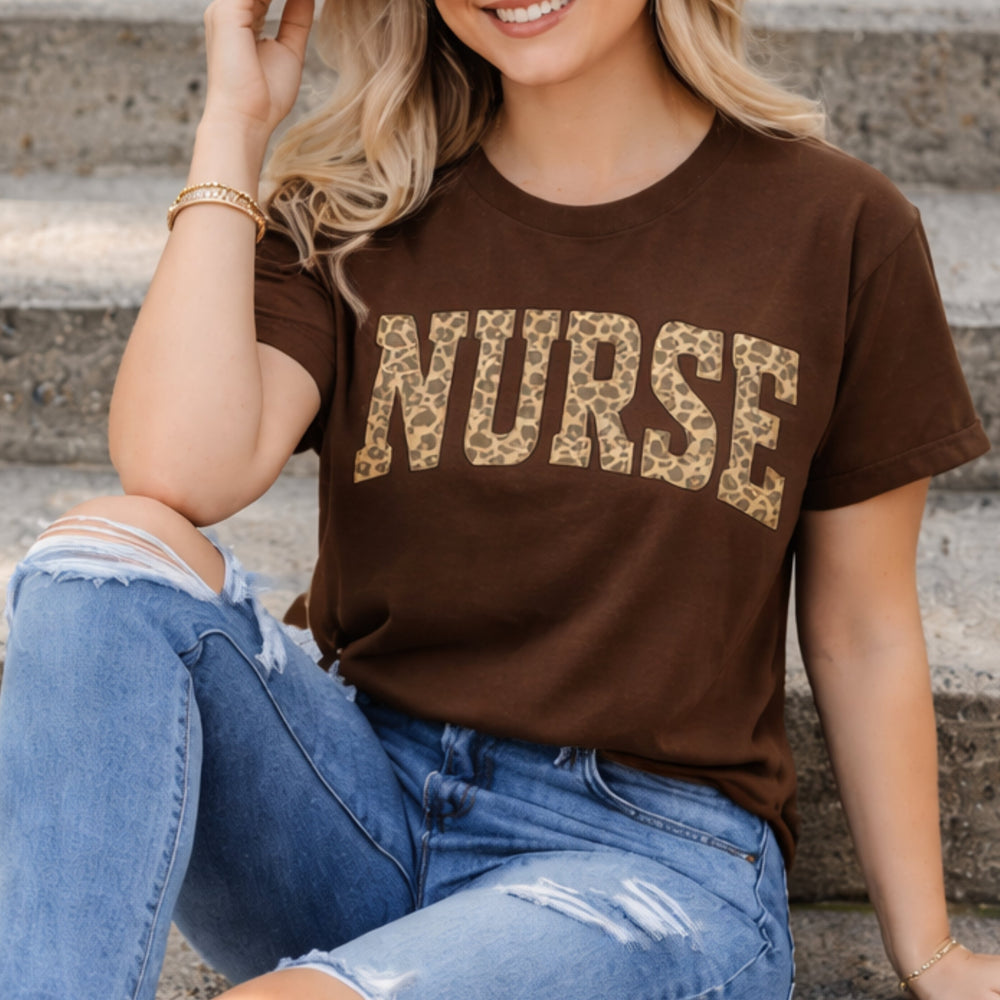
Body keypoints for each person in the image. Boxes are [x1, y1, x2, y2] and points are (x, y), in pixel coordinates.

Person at [0, 0, 997, 997]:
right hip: (364, 817)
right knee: (102, 563)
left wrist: (929, 952)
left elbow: (862, 625)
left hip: (646, 865)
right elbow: (178, 470)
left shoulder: (835, 228)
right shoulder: (362, 208)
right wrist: (233, 125)